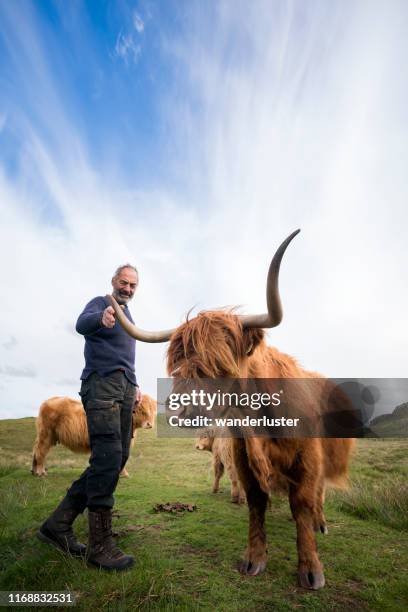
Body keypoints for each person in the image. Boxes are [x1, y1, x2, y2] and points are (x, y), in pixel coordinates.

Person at [37, 264, 142, 571]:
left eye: (133, 285)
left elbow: (127, 356)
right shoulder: (102, 302)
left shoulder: (130, 315)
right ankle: (100, 545)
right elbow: (81, 324)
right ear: (114, 282)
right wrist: (101, 317)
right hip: (102, 383)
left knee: (117, 458)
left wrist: (135, 384)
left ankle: (57, 525)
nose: (128, 289)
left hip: (124, 386)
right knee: (107, 456)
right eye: (124, 283)